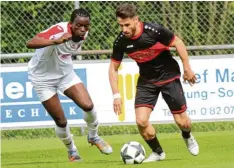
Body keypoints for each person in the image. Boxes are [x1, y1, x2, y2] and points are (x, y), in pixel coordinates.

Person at [109, 4, 199, 162]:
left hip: (169, 77)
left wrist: (187, 68)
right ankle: (158, 152)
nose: (124, 29)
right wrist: (116, 94)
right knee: (141, 121)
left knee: (182, 122)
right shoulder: (121, 41)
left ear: (136, 20)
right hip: (147, 81)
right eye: (121, 25)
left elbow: (177, 42)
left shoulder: (154, 30)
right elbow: (113, 68)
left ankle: (187, 135)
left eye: (127, 25)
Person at [26, 8, 112, 162]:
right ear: (71, 24)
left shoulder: (84, 34)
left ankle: (93, 137)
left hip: (65, 74)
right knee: (61, 121)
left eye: (86, 26)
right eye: (79, 26)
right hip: (42, 78)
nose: (83, 29)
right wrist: (54, 41)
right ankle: (72, 151)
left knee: (88, 105)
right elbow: (30, 43)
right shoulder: (58, 31)